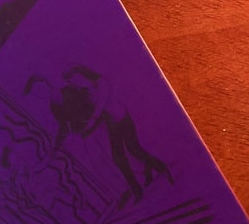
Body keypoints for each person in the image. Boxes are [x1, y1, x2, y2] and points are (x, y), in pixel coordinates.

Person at [23, 64, 171, 204]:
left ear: (45, 84)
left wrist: (92, 120)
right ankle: (139, 186)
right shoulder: (55, 106)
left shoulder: (73, 89)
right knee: (120, 157)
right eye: (36, 93)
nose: (40, 94)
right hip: (99, 127)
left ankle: (152, 172)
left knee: (130, 151)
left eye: (39, 89)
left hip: (105, 123)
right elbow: (65, 127)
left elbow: (94, 103)